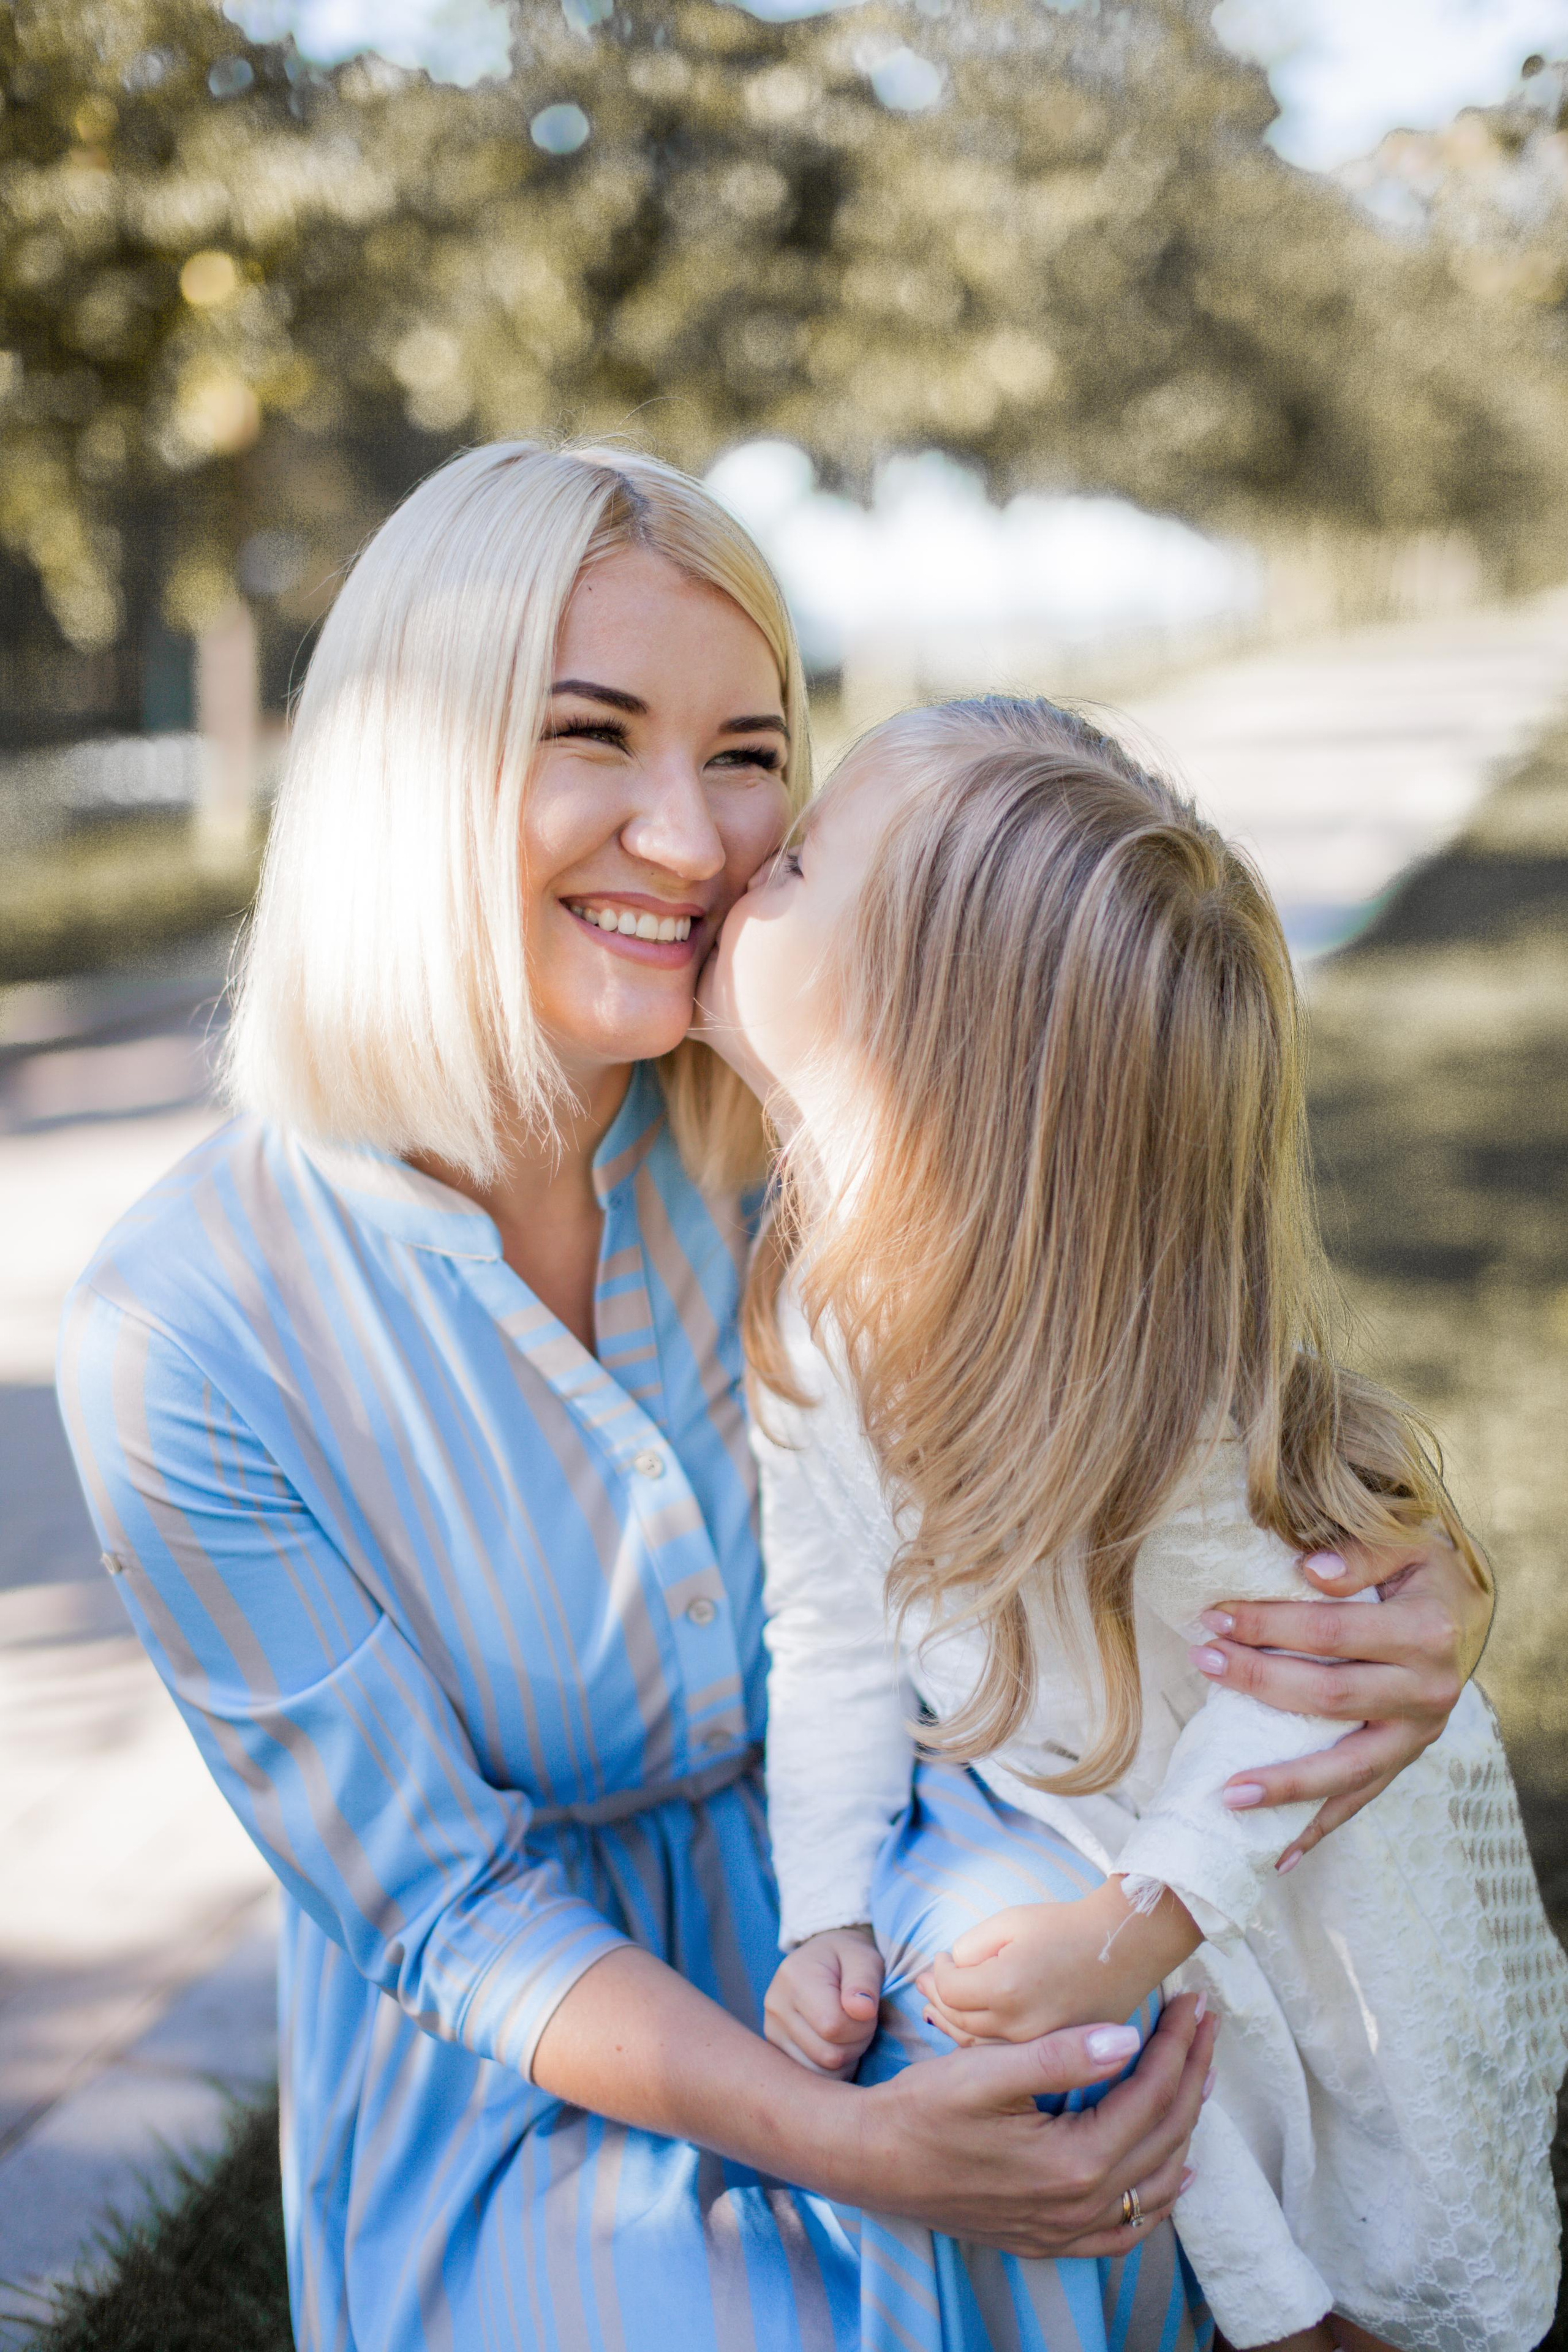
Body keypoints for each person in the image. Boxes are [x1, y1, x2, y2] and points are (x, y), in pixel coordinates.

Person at [56, 446, 1487, 2352]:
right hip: (535, 2063)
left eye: (748, 754)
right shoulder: (187, 1330)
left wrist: (1421, 1590)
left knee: (1064, 2070)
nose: (693, 836)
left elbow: (1174, 1382)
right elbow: (445, 1917)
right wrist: (849, 2144)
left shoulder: (803, 1110)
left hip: (890, 1874)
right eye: (596, 737)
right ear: (412, 767)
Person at [699, 695, 1568, 2352]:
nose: (752, 872)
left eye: (800, 863)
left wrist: (1139, 1922)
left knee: (1388, 2185)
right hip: (1100, 1831)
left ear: (915, 1029)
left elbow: (1297, 1679)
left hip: (1289, 1860)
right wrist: (823, 1909)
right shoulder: (809, 1303)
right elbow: (825, 1635)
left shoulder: (1134, 1358)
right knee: (1227, 2202)